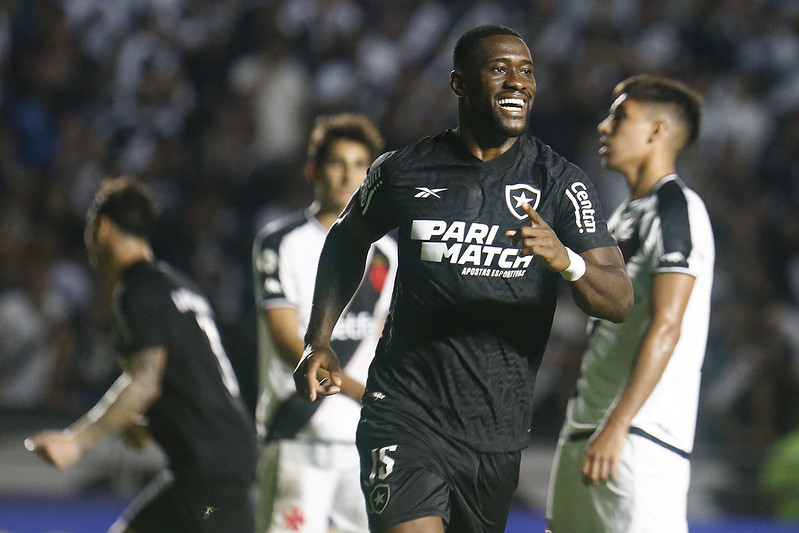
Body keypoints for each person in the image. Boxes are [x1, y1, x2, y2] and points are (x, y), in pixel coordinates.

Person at [294, 24, 634, 533]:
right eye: (499, 69)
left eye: (526, 71)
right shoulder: (404, 171)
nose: (518, 82)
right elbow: (346, 239)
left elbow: (619, 298)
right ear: (459, 84)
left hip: (495, 430)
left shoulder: (559, 182)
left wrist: (566, 260)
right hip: (404, 414)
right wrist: (318, 339)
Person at [26, 177, 258, 533]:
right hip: (211, 464)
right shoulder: (176, 286)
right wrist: (145, 419)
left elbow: (144, 380)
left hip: (210, 477)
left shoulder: (138, 292)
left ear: (101, 228)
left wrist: (76, 441)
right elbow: (189, 373)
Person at [546, 75, 715, 532]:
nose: (604, 127)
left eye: (620, 116)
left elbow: (668, 326)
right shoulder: (623, 216)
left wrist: (619, 424)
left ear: (658, 131)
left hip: (639, 439)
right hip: (586, 431)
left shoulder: (677, 209)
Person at [252, 113, 397, 532]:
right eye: (337, 163)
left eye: (359, 165)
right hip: (299, 433)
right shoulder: (281, 242)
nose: (348, 175)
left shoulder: (387, 252)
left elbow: (384, 337)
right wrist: (363, 393)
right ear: (313, 170)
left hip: (363, 440)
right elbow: (284, 339)